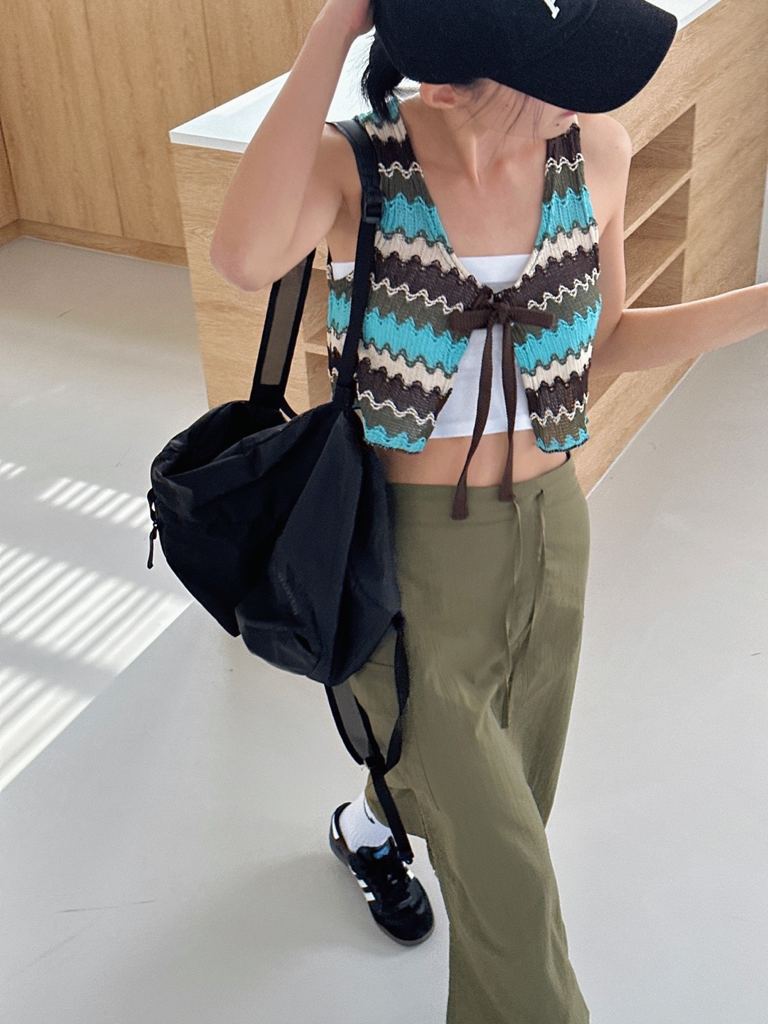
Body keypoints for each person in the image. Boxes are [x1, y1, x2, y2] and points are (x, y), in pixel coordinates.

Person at [210, 1, 768, 1020]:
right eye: (560, 74)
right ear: (455, 81)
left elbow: (605, 345)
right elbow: (243, 259)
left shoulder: (596, 152)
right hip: (407, 560)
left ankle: (372, 826)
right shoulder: (358, 170)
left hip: (553, 532)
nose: (586, 98)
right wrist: (333, 28)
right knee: (509, 874)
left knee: (511, 795)